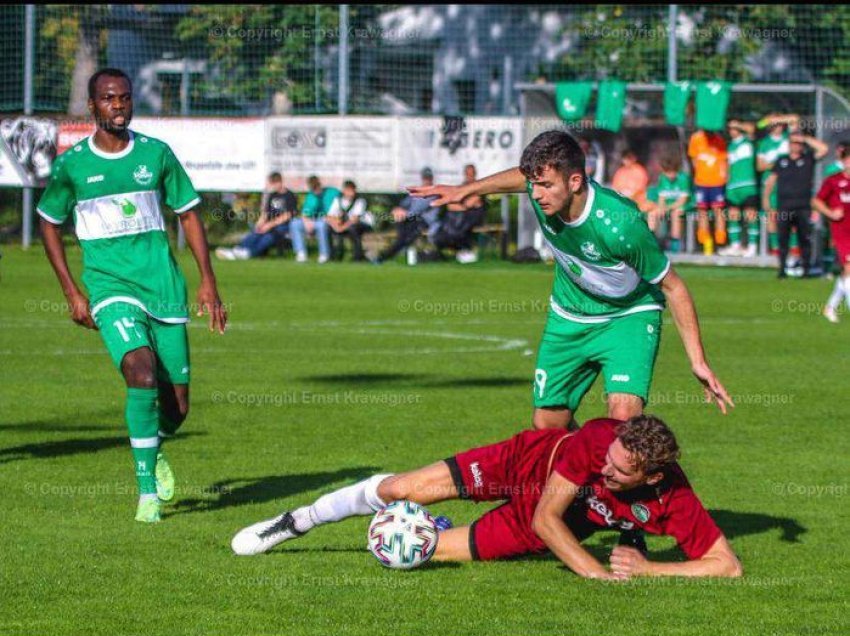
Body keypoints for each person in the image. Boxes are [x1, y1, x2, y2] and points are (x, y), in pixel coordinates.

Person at [410, 130, 733, 429]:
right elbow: (521, 179)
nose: (535, 195)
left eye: (546, 185)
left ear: (575, 181)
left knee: (621, 422)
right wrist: (466, 189)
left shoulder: (621, 225)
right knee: (548, 426)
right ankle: (584, 483)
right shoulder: (545, 193)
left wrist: (698, 361)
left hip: (627, 316)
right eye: (533, 184)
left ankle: (637, 483)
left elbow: (673, 286)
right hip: (569, 314)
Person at [37, 68, 227, 523]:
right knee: (139, 373)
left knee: (177, 407)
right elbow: (48, 222)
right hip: (109, 286)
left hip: (162, 285)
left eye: (124, 97)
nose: (118, 105)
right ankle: (146, 494)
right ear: (92, 106)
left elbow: (189, 214)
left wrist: (208, 281)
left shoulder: (156, 154)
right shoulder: (73, 165)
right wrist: (72, 290)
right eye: (108, 98)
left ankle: (153, 444)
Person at [231, 415, 743, 579]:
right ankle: (298, 520)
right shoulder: (598, 441)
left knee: (418, 552)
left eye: (620, 469)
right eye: (608, 456)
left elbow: (726, 564)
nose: (605, 466)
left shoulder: (673, 498)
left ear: (653, 477)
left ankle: (427, 526)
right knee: (397, 489)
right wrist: (597, 574)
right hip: (525, 464)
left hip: (535, 520)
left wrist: (651, 570)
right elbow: (548, 518)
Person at [762, 133, 829, 278]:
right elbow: (771, 180)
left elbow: (824, 149)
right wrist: (766, 199)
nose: (796, 145)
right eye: (793, 142)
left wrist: (804, 138)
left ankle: (805, 269)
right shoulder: (781, 161)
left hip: (803, 206)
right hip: (784, 206)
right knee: (783, 239)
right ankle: (782, 269)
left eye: (798, 143)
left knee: (804, 238)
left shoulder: (808, 158)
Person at [215, 172, 298, 260]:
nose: (272, 186)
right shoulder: (272, 195)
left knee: (267, 238)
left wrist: (269, 225)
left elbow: (288, 215)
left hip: (282, 226)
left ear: (280, 182)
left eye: (273, 184)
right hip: (268, 224)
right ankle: (238, 250)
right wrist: (260, 223)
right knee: (255, 233)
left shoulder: (289, 195)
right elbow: (265, 213)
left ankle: (249, 253)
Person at [812, 145, 850, 322]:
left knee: (846, 272)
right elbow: (816, 201)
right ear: (843, 162)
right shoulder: (833, 181)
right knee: (849, 269)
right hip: (842, 232)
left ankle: (830, 307)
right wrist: (830, 213)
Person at [372, 167, 442, 264]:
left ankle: (383, 257)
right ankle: (391, 251)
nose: (426, 180)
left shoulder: (433, 192)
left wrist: (404, 213)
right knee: (397, 223)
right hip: (413, 219)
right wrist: (397, 209)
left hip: (424, 221)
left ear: (432, 178)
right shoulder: (418, 190)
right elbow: (405, 203)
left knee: (404, 236)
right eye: (425, 178)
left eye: (428, 178)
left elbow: (418, 210)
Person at [756, 114, 797, 255]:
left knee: (790, 214)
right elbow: (760, 166)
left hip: (788, 182)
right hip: (770, 183)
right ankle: (775, 247)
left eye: (779, 124)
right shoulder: (764, 143)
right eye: (774, 124)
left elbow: (795, 119)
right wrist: (779, 164)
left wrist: (777, 119)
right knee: (771, 215)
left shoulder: (788, 138)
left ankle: (793, 247)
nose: (777, 126)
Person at [718, 120, 760, 258]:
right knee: (732, 216)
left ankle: (752, 246)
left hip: (747, 185)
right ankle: (735, 245)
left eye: (734, 128)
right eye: (729, 128)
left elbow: (752, 129)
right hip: (732, 187)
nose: (732, 130)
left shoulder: (748, 141)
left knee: (751, 216)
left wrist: (738, 124)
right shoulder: (729, 147)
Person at [430, 164, 487, 264]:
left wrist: (458, 205)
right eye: (467, 174)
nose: (469, 176)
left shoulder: (479, 188)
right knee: (449, 223)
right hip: (457, 218)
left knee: (459, 224)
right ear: (464, 174)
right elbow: (450, 205)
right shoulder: (461, 187)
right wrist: (458, 205)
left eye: (471, 174)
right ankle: (452, 245)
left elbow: (468, 205)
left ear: (475, 174)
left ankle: (463, 249)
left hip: (471, 218)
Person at [688, 128, 728, 254]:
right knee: (702, 211)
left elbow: (724, 161)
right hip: (701, 182)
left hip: (717, 182)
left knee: (718, 210)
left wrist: (723, 177)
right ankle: (706, 244)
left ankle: (721, 242)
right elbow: (694, 160)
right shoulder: (696, 139)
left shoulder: (719, 140)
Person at [289, 175, 339, 263]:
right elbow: (305, 214)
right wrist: (307, 222)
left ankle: (324, 254)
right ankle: (301, 253)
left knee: (321, 225)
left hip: (328, 221)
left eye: (317, 186)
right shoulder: (311, 196)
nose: (316, 190)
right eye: (313, 188)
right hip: (313, 221)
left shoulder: (333, 192)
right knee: (294, 223)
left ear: (320, 184)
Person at [326, 180, 373, 262]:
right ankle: (332, 255)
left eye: (353, 190)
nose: (351, 193)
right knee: (328, 228)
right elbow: (330, 216)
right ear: (344, 191)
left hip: (362, 224)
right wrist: (335, 226)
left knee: (352, 228)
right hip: (345, 224)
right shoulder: (338, 200)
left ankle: (357, 256)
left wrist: (341, 228)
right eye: (349, 190)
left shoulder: (360, 201)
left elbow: (355, 219)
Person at [652, 157, 692, 254]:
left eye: (672, 172)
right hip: (668, 206)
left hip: (684, 205)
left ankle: (675, 244)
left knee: (676, 214)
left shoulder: (684, 178)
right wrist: (661, 208)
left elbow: (683, 200)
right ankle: (652, 241)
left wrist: (667, 208)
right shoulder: (662, 178)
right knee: (653, 213)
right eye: (667, 172)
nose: (670, 175)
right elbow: (661, 198)